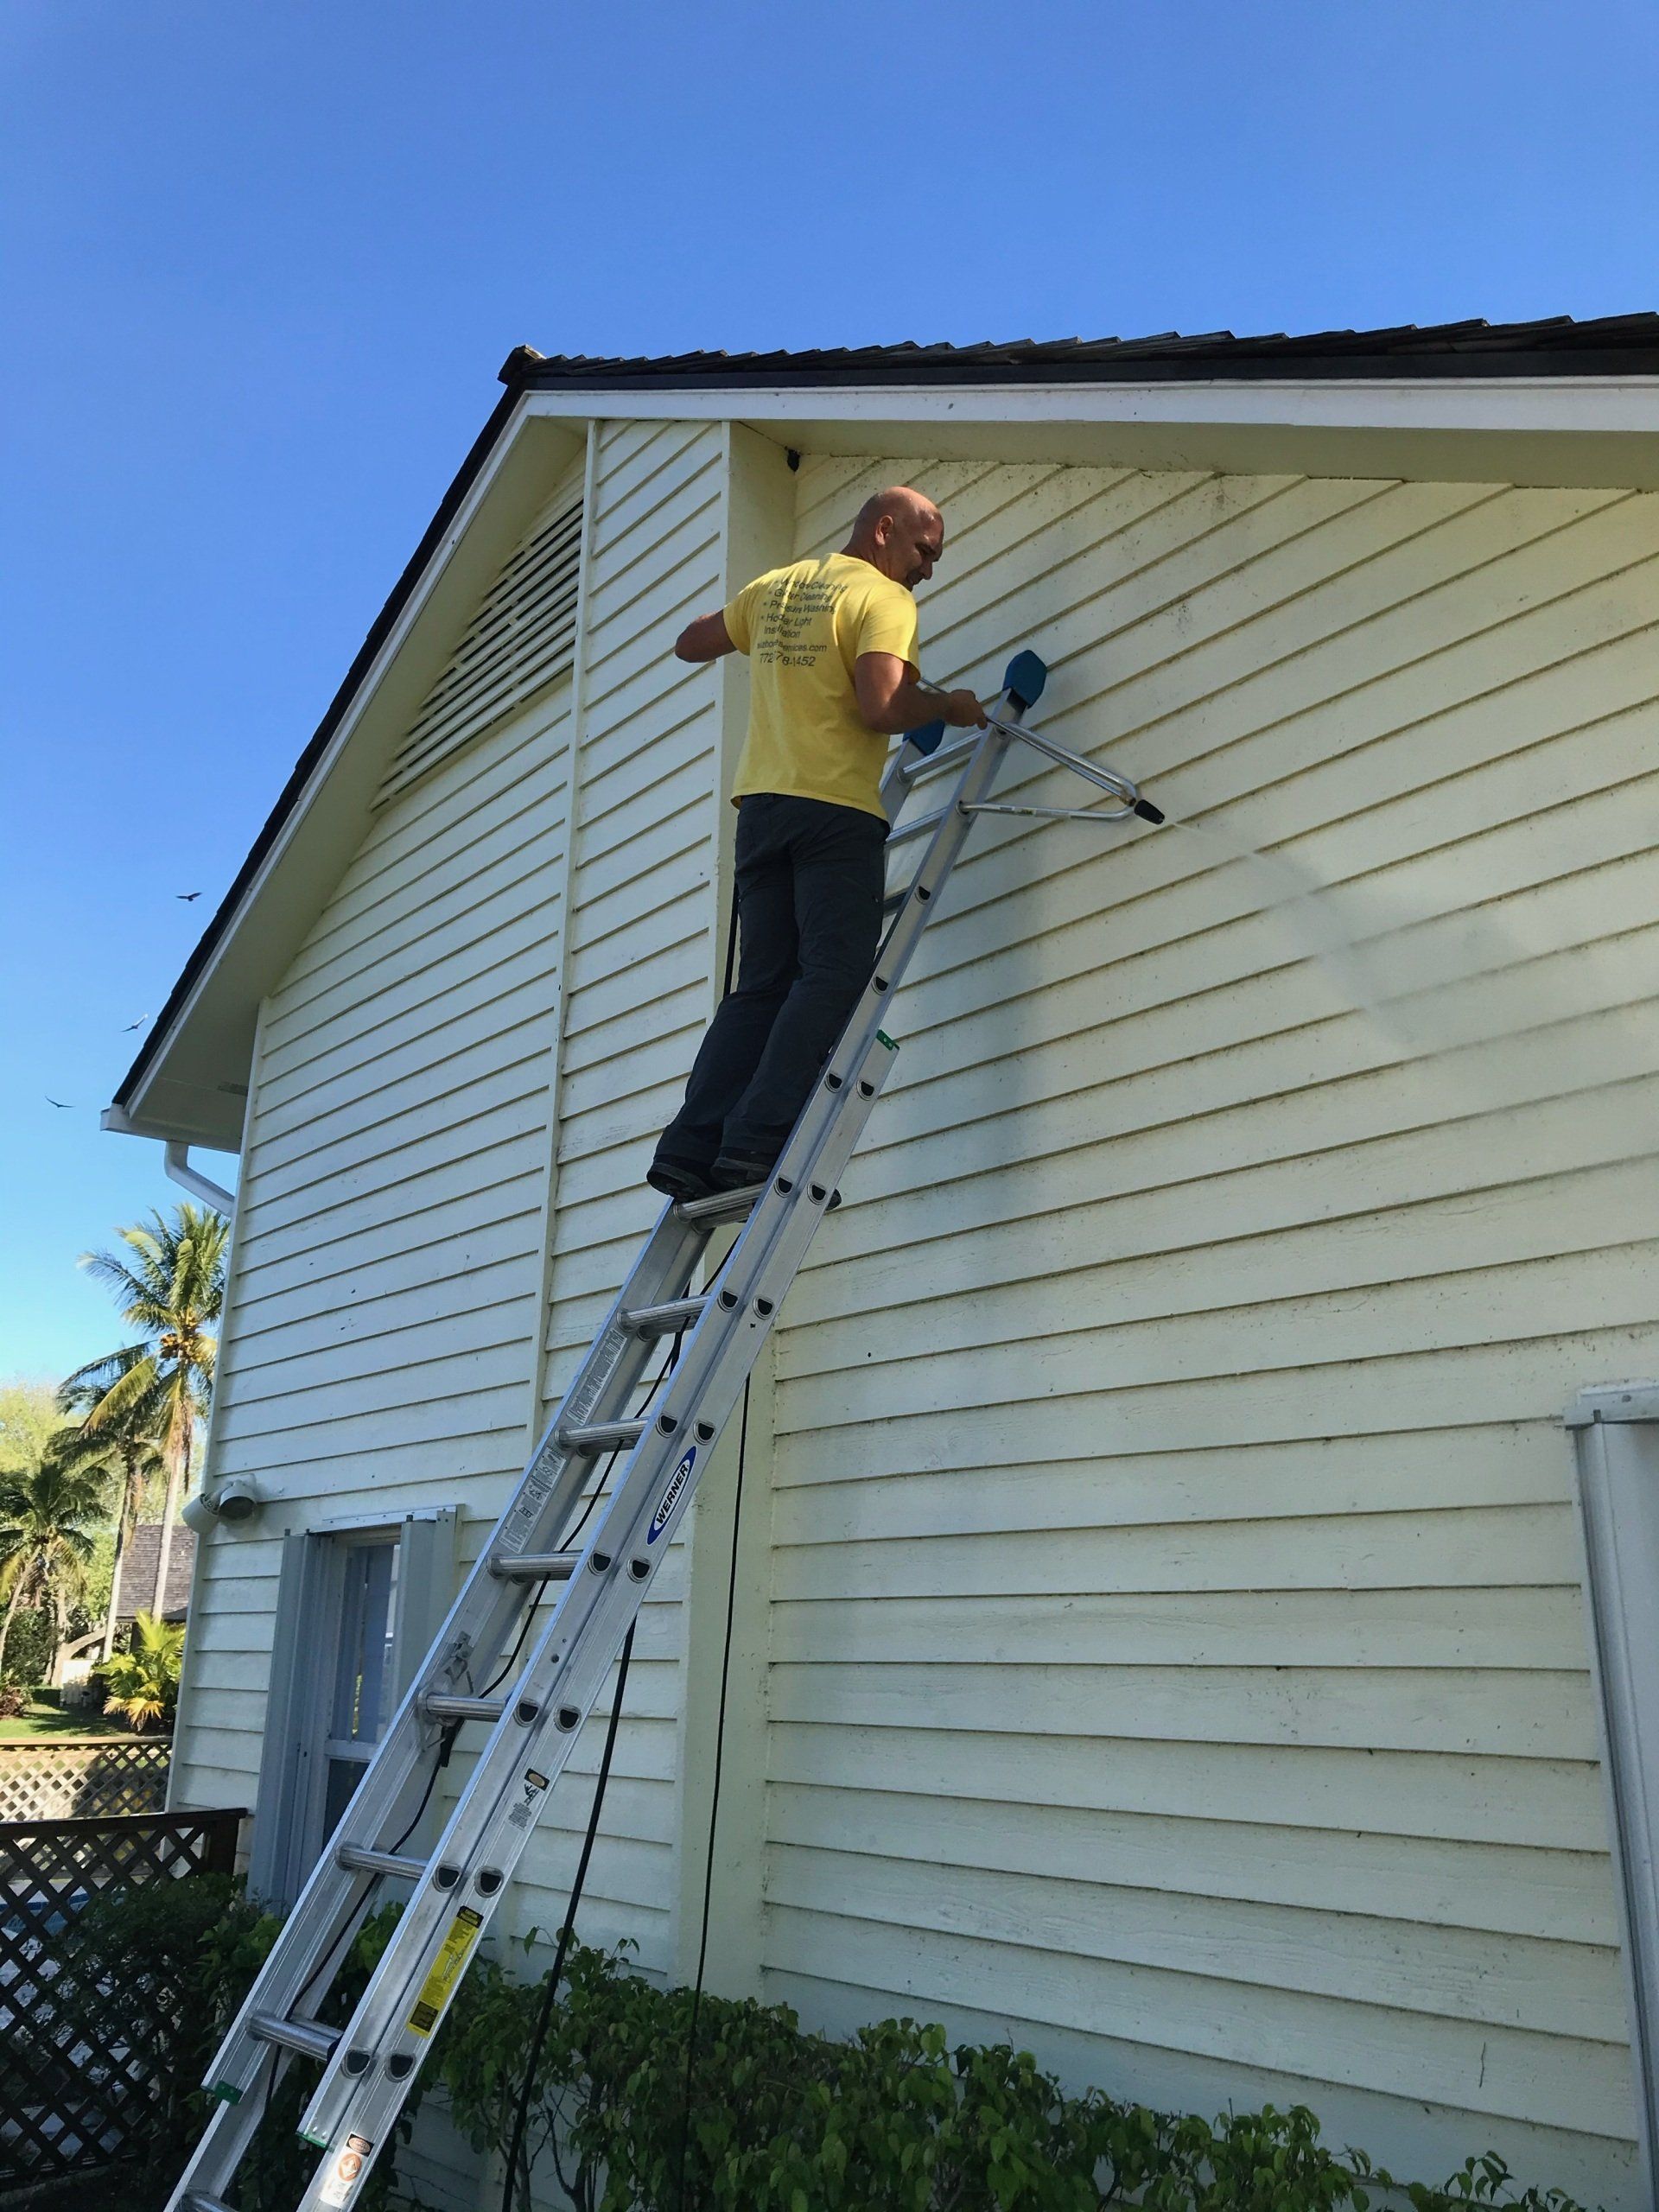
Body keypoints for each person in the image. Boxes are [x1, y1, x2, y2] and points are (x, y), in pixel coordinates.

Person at [647, 486, 987, 1202]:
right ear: (886, 531)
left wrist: (760, 631)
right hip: (833, 812)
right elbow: (883, 706)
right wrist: (947, 707)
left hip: (763, 810)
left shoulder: (776, 587)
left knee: (761, 988)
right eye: (926, 551)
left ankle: (689, 1148)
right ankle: (756, 1144)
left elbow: (690, 642)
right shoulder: (885, 600)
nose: (929, 569)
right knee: (831, 977)